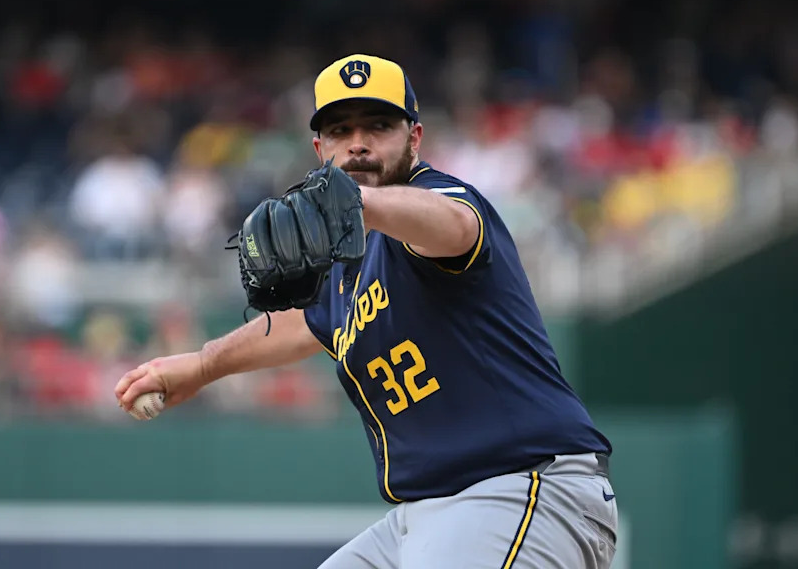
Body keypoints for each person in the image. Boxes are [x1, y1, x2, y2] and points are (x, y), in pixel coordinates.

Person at [115, 54, 618, 568]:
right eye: (340, 130)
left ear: (414, 138)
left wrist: (356, 202)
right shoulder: (348, 266)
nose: (358, 142)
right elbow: (303, 322)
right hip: (425, 514)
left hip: (522, 487)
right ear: (319, 148)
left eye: (379, 125)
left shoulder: (435, 200)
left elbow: (454, 226)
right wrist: (202, 365)